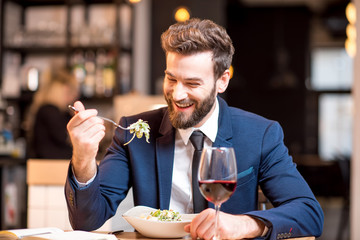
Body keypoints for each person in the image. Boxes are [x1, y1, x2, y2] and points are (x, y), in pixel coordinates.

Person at [65, 18, 323, 239]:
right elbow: (87, 221)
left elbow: (308, 212)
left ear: (222, 81)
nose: (177, 94)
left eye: (192, 83)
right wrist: (83, 158)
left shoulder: (261, 135)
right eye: (171, 79)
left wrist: (244, 224)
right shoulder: (133, 131)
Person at [25, 68, 79, 159]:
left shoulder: (48, 110)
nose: (73, 97)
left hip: (49, 164)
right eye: (72, 93)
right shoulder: (49, 111)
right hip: (50, 165)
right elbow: (64, 137)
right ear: (65, 89)